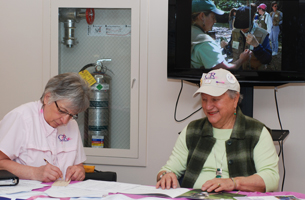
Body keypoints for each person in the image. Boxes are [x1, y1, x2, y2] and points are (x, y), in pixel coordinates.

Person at [156, 68, 279, 192]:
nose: (208, 106)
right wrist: (165, 175)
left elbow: (271, 178)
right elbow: (168, 169)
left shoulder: (256, 132)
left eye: (215, 99)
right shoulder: (192, 130)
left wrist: (233, 183)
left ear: (235, 99)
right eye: (204, 99)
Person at [0, 73, 91, 182]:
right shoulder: (21, 118)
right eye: (62, 111)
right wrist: (34, 172)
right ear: (47, 98)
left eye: (72, 115)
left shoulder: (72, 124)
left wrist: (79, 171)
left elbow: (78, 164)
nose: (65, 120)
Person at [191, 0, 250, 69]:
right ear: (202, 16)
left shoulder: (190, 31)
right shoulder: (205, 43)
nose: (215, 21)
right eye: (213, 17)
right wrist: (242, 59)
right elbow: (225, 70)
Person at [221, 6, 272, 70]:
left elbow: (267, 60)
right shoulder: (235, 32)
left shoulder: (263, 34)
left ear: (253, 18)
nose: (243, 28)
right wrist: (226, 47)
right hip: (237, 73)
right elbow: (231, 53)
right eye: (240, 26)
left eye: (245, 26)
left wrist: (257, 46)